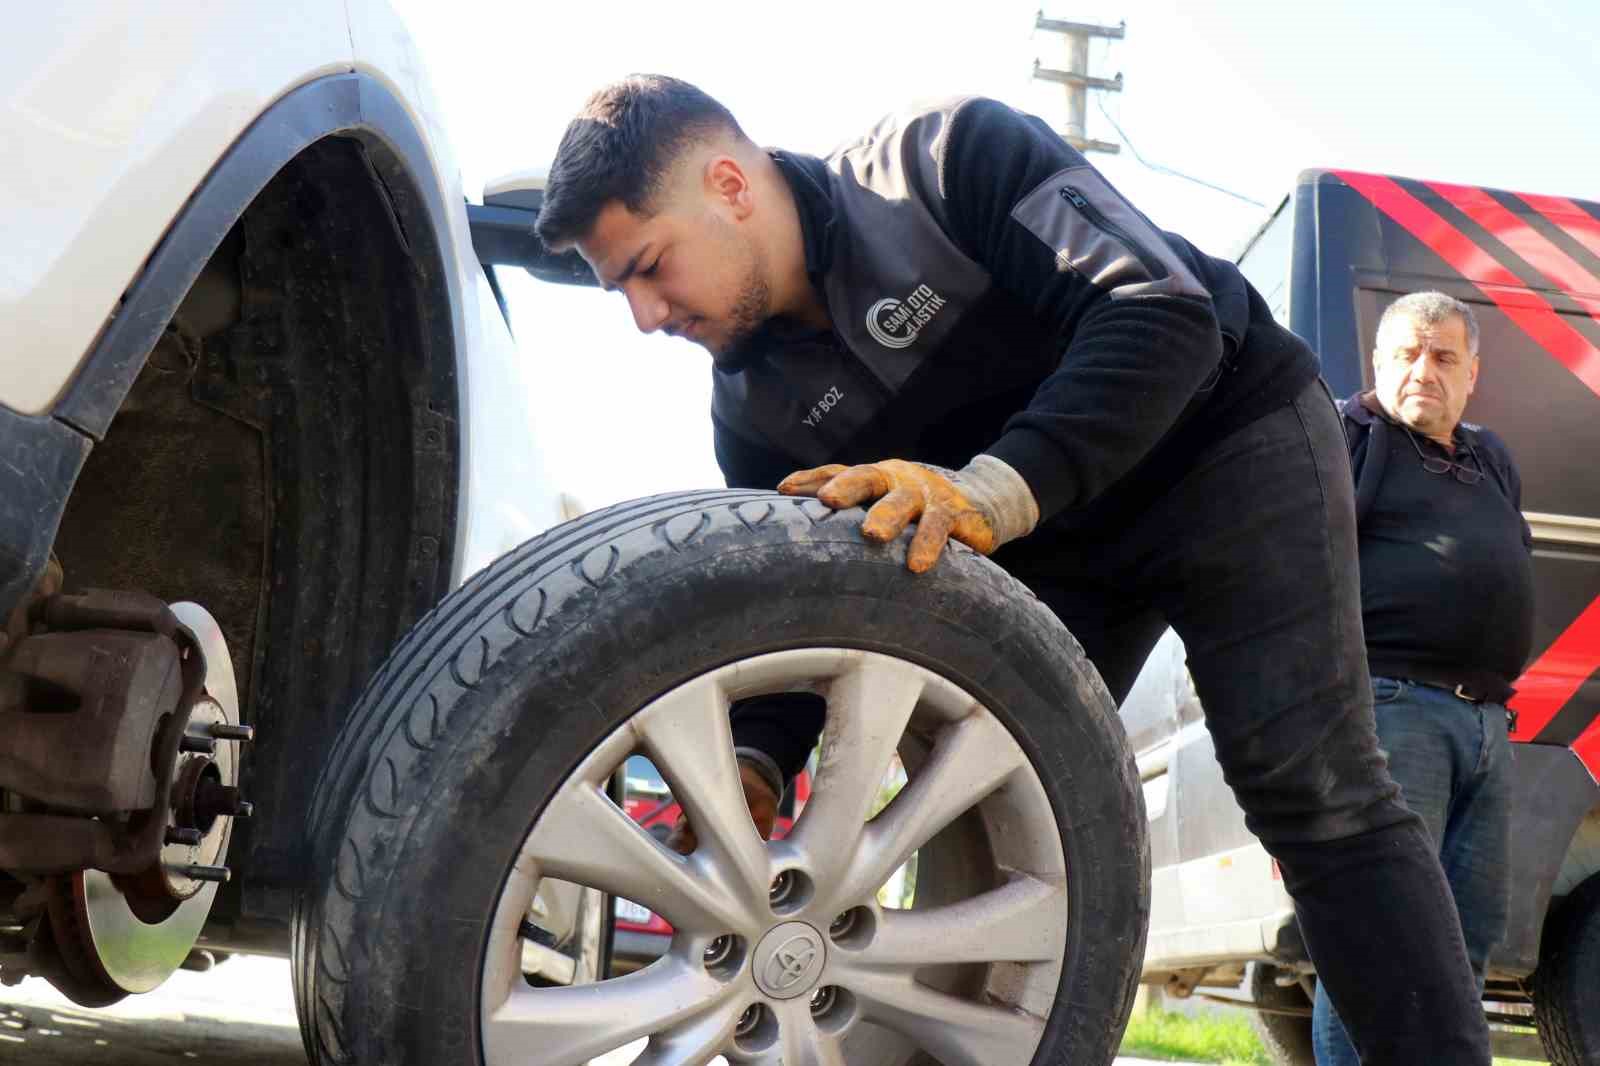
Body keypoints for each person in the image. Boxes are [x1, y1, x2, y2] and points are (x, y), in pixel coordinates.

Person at [535, 75, 1490, 1063]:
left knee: (1311, 782)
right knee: (977, 805)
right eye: (624, 292)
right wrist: (754, 764)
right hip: (1051, 542)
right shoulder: (751, 409)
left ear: (727, 183)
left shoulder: (941, 165)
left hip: (1223, 439)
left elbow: (1162, 312)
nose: (645, 317)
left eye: (649, 267)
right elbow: (808, 608)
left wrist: (991, 490)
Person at [1312, 292, 1530, 1064]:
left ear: (1473, 373)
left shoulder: (1489, 456)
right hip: (1389, 710)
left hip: (1485, 728)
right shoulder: (1350, 436)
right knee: (1375, 942)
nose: (1423, 370)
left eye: (1443, 357)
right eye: (1407, 353)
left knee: (1464, 949)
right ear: (1378, 362)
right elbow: (1296, 574)